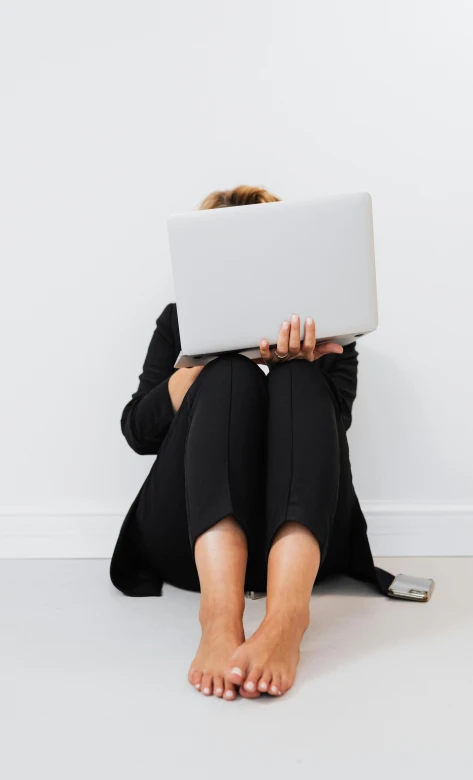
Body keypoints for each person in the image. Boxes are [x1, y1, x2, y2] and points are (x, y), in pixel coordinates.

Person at [110, 184, 385, 701]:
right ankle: (219, 615)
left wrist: (300, 365)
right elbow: (138, 431)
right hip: (188, 541)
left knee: (298, 380)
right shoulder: (179, 322)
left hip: (297, 538)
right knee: (227, 374)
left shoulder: (326, 321)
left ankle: (286, 618)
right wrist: (198, 369)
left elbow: (334, 426)